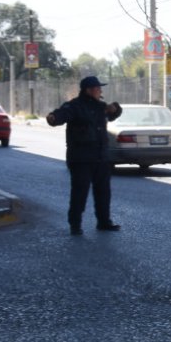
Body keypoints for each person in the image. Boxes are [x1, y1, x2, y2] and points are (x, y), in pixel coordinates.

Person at [45, 76, 123, 236]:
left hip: (101, 157)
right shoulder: (75, 106)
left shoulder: (101, 107)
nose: (100, 91)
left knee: (103, 192)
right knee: (79, 193)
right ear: (88, 90)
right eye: (97, 88)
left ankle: (104, 222)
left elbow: (115, 113)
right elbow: (61, 114)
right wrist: (53, 118)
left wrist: (115, 108)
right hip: (81, 159)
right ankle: (75, 224)